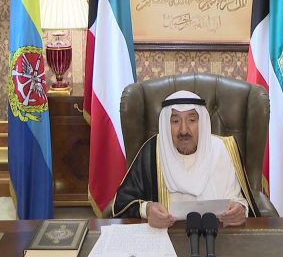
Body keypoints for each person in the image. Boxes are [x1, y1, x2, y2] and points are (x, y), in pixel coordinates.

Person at [111, 90, 260, 228]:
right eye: (175, 121)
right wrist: (147, 209)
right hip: (168, 237)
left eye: (192, 120)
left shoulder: (223, 149)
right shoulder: (152, 151)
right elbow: (123, 202)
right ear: (166, 124)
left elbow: (239, 200)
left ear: (202, 122)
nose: (183, 130)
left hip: (220, 236)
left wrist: (240, 209)